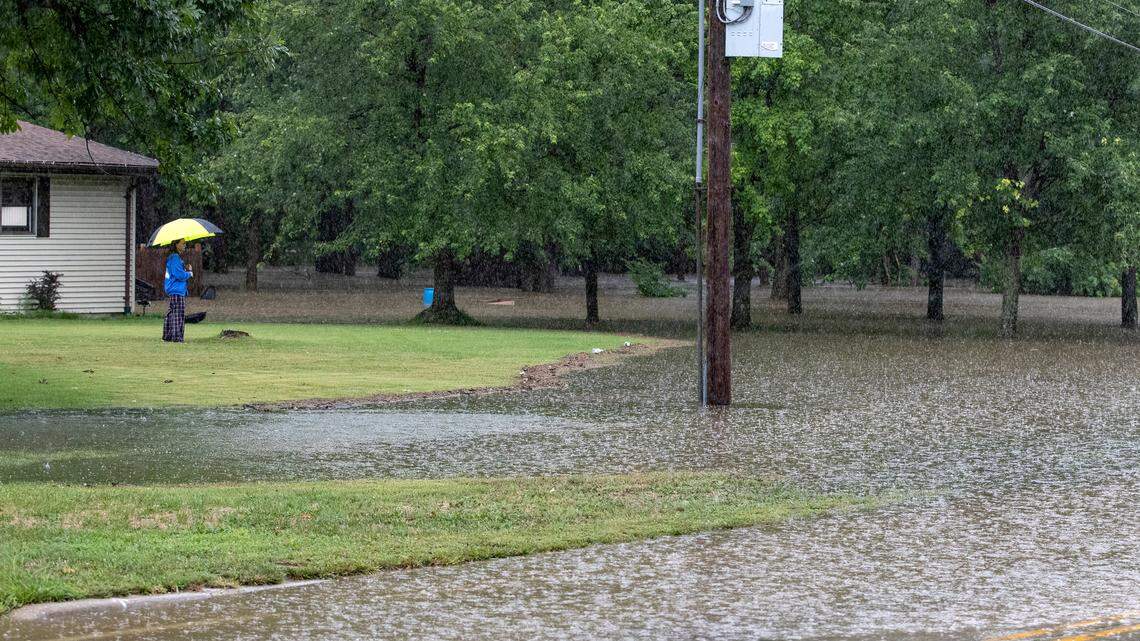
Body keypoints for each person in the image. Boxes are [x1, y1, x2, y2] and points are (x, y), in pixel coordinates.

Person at [162, 240, 193, 342]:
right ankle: (177, 338)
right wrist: (189, 273)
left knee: (172, 313)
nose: (185, 245)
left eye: (185, 243)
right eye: (182, 243)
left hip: (173, 289)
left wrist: (185, 268)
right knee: (178, 314)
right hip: (177, 290)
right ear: (176, 244)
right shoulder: (175, 258)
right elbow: (179, 275)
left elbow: (177, 272)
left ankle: (168, 337)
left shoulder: (174, 258)